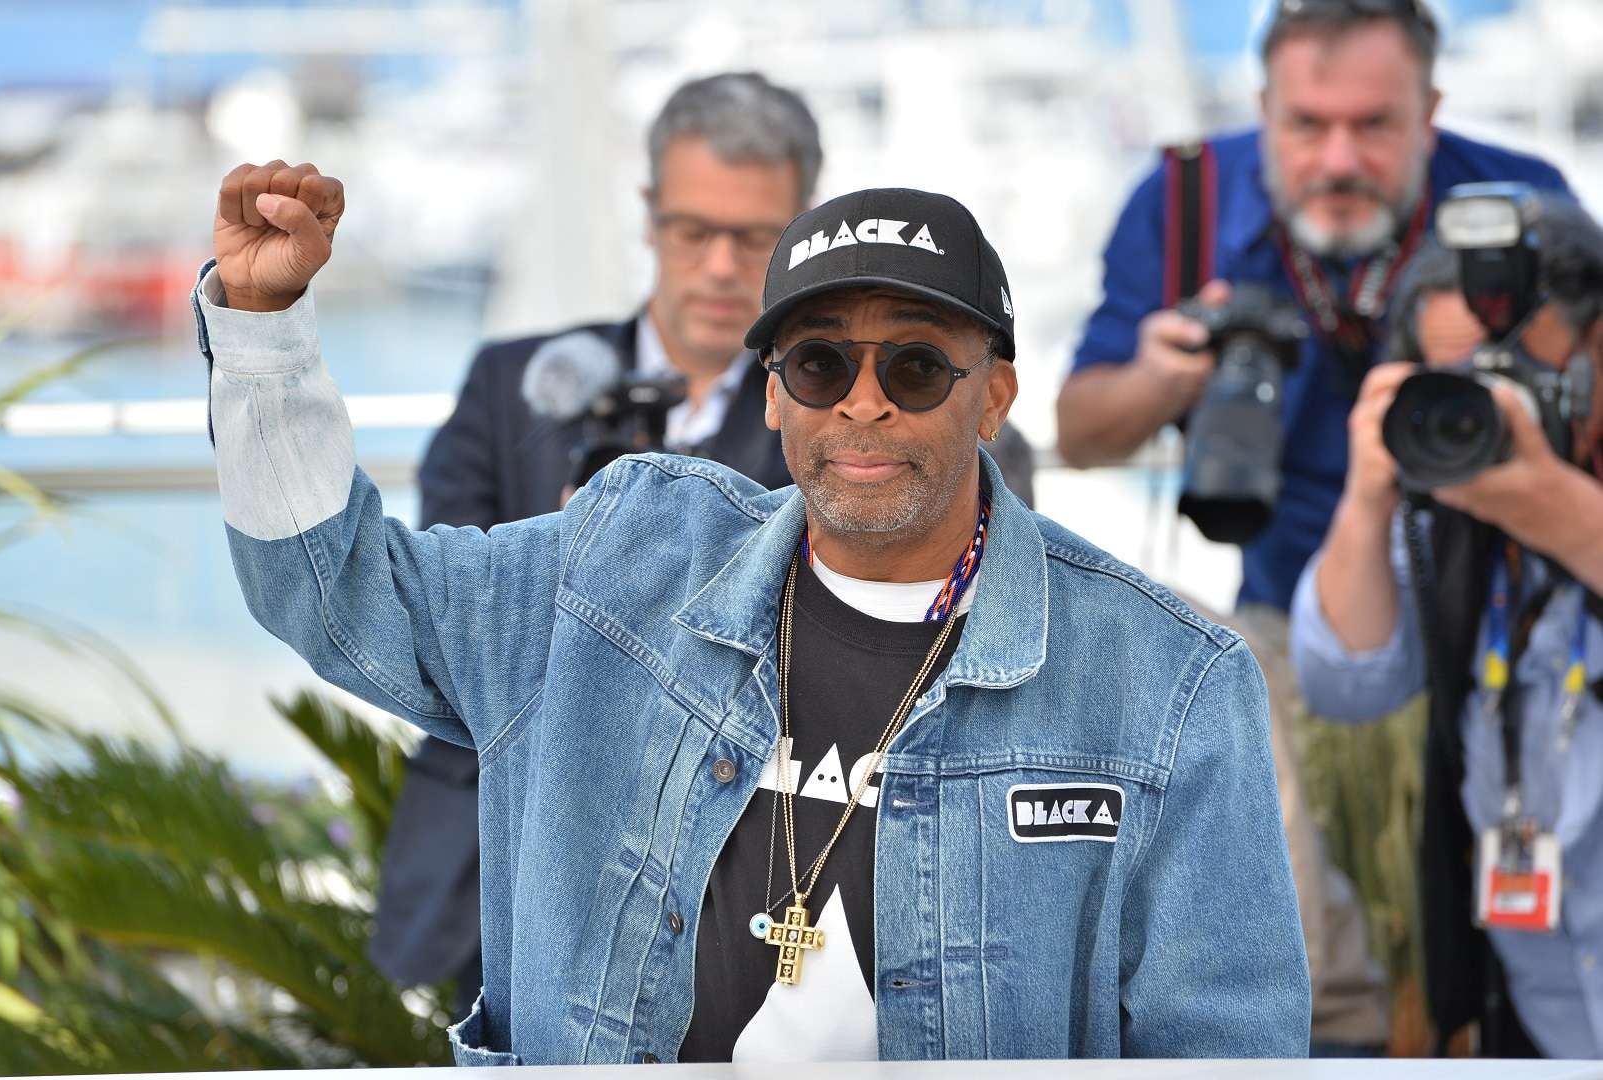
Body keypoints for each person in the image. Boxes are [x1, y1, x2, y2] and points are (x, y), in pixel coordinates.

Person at [194, 165, 1309, 1062]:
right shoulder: (617, 568)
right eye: (819, 363)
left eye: (917, 367)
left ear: (995, 397)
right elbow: (333, 593)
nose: (862, 401)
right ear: (771, 389)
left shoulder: (1167, 681)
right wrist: (263, 327)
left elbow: (1225, 1048)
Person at [1052, 0, 1568, 1050]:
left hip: (1490, 612)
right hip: (1281, 612)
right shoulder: (1185, 201)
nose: (1338, 156)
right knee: (1270, 841)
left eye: (1373, 125)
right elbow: (1080, 428)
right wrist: (1162, 378)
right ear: (1262, 110)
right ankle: (1331, 1049)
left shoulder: (1518, 212)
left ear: (1429, 112)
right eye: (1306, 125)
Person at [373, 71, 823, 1008]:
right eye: (693, 231)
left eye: (754, 237)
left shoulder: (840, 419)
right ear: (650, 214)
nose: (718, 267)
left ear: (802, 231)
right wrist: (573, 554)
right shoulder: (511, 386)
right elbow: (439, 626)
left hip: (732, 889)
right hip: (490, 871)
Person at [1292, 200, 1603, 1056]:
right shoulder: (1448, 531)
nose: (1486, 414)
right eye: (1456, 384)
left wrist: (1559, 512)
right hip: (1537, 1018)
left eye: (1514, 380)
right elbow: (1344, 682)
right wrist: (1370, 489)